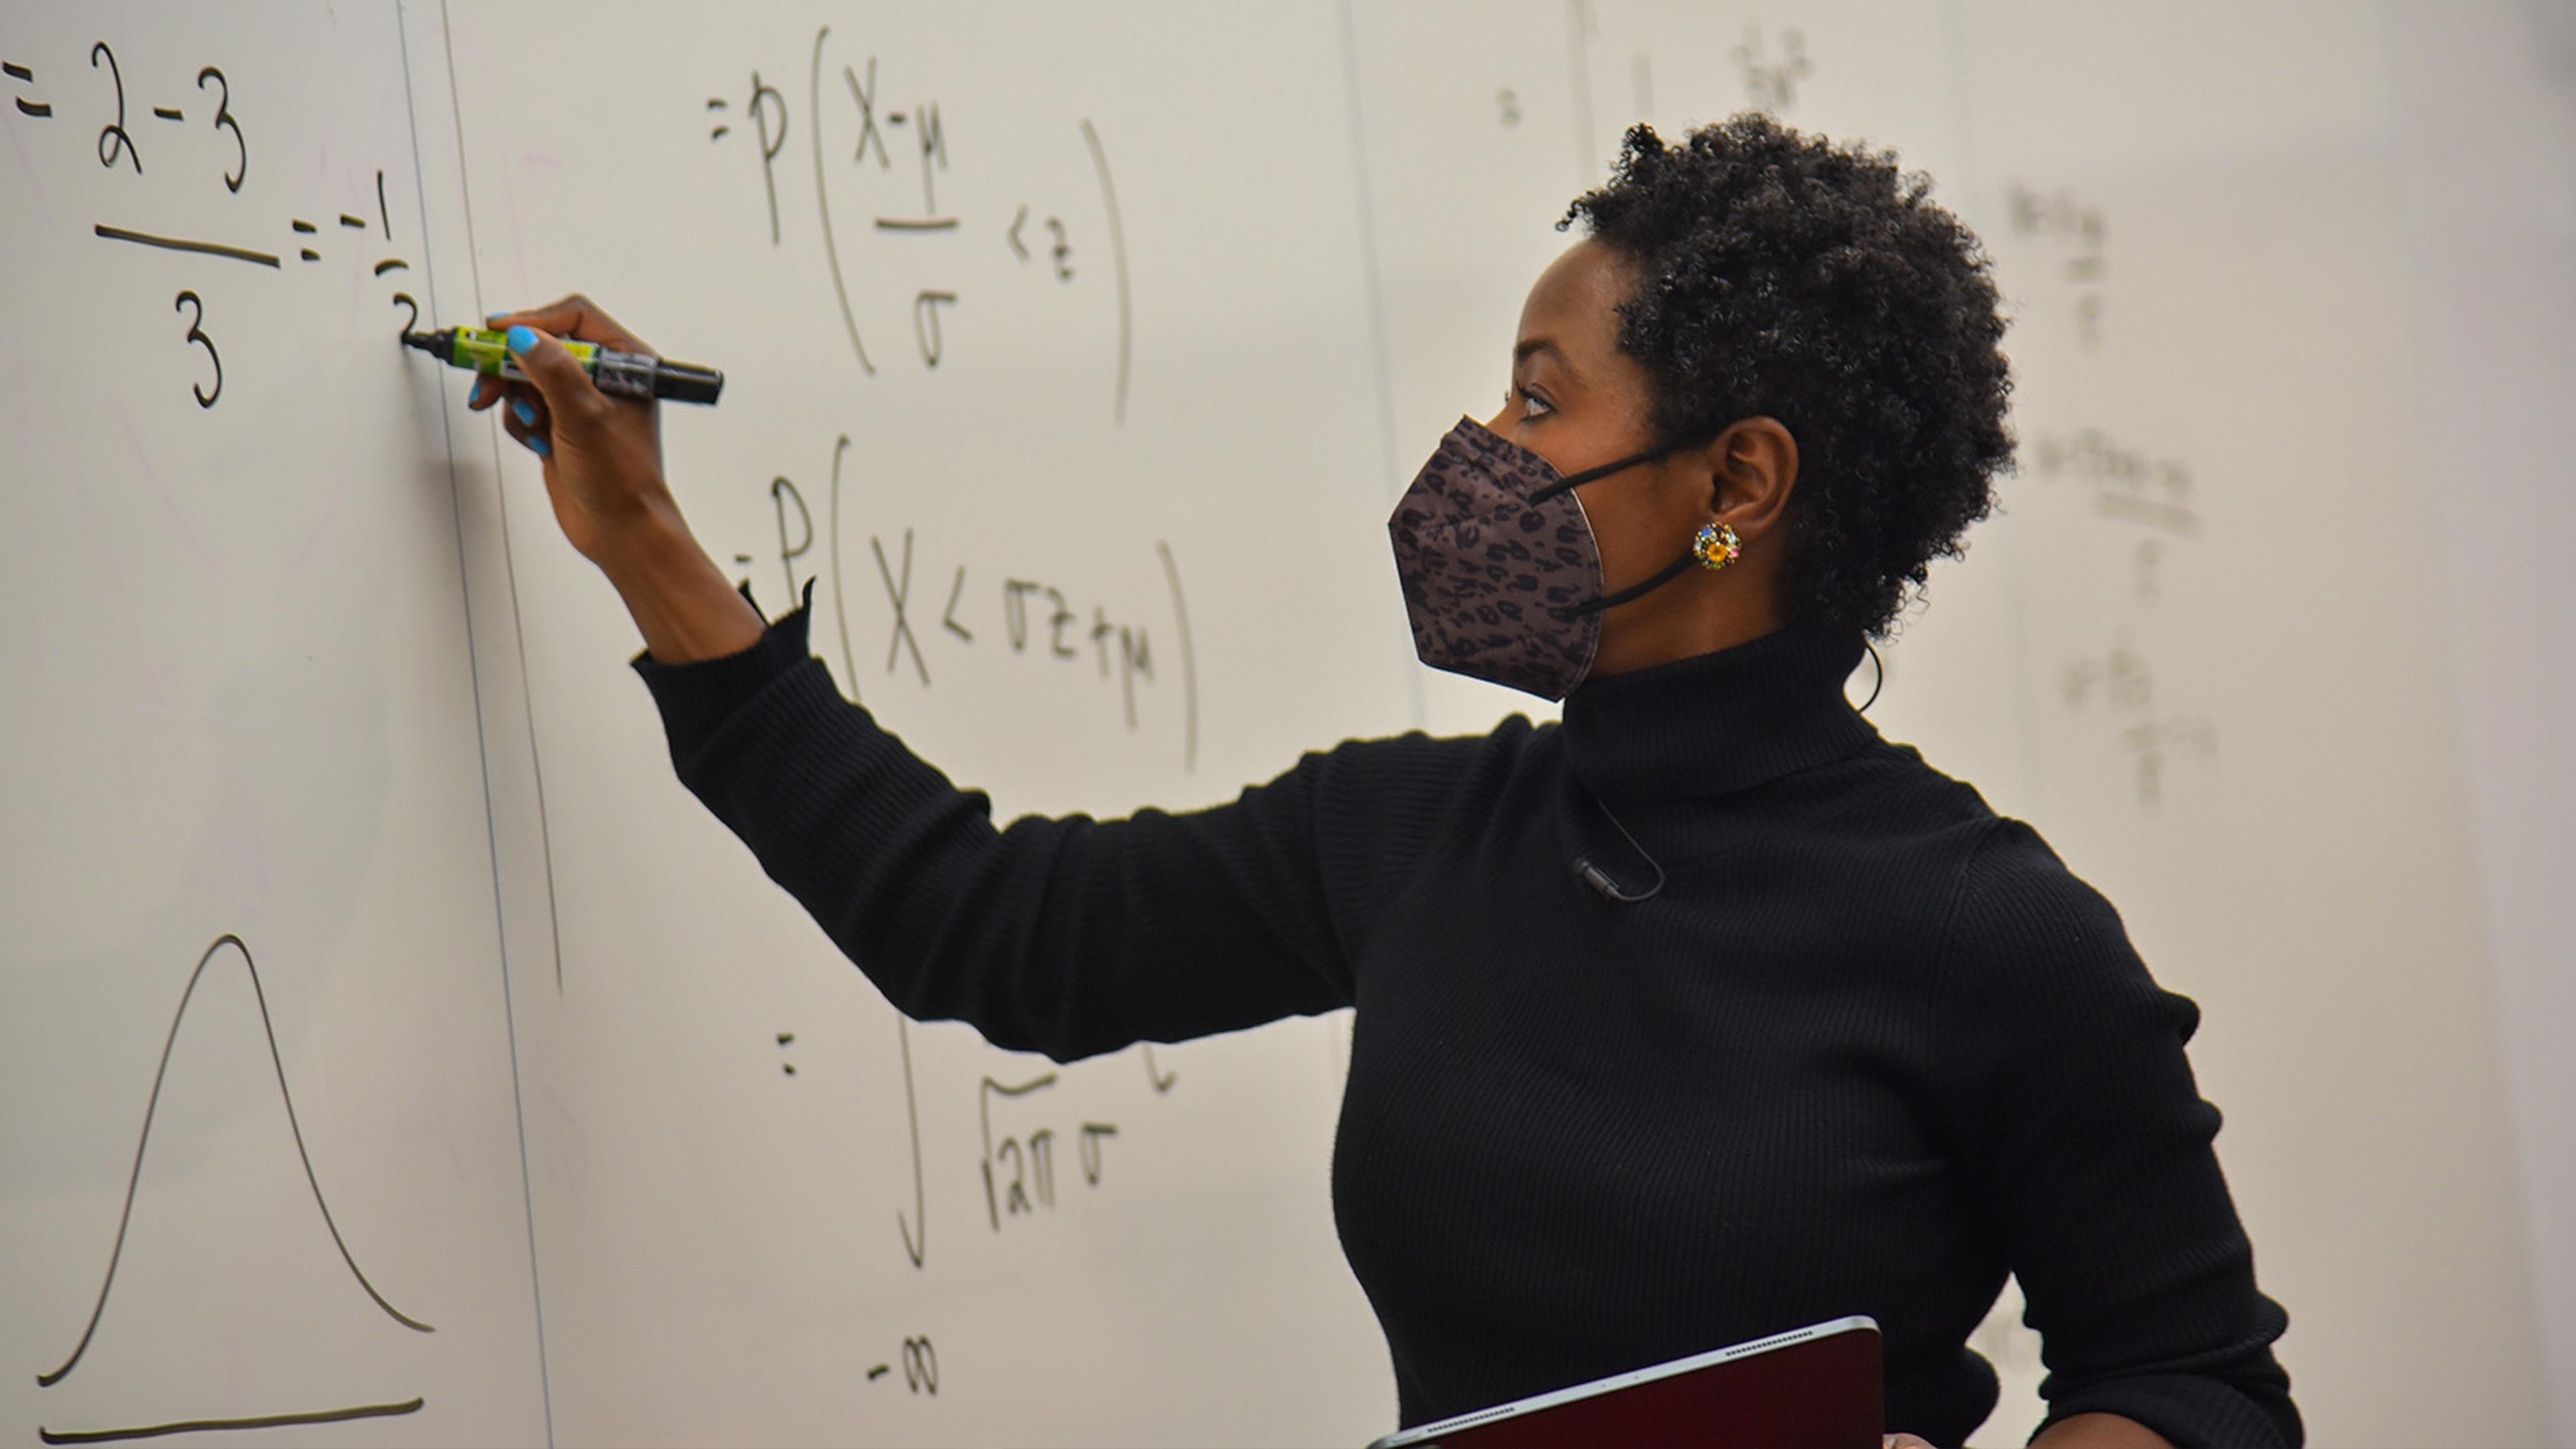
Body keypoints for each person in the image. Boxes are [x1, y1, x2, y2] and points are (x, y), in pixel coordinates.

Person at [472, 114, 2298, 1449]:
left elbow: (2194, 1381)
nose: (1480, 452)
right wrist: (644, 542)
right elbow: (990, 927)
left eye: (1539, 402)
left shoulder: (1989, 928)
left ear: (1736, 483)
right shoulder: (1418, 838)